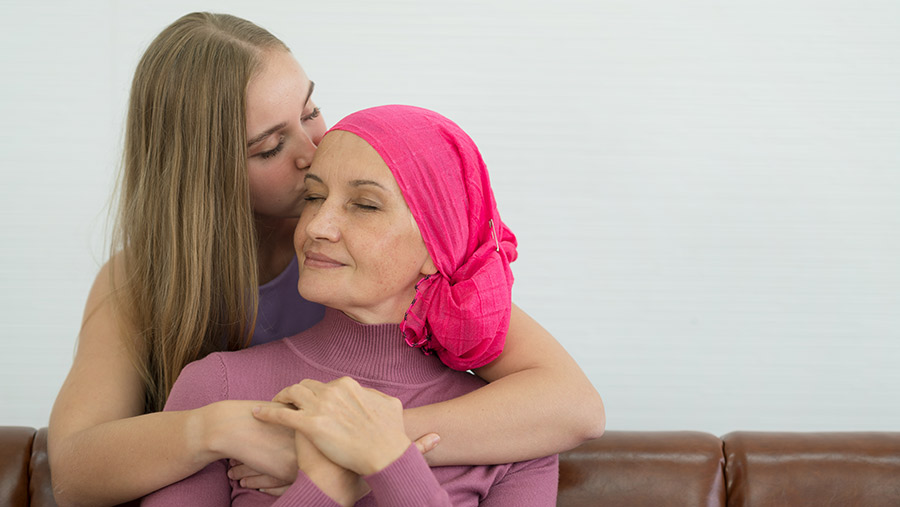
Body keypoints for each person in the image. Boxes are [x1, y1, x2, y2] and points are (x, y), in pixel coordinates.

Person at [48, 12, 604, 507]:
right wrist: (213, 428)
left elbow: (571, 404)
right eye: (269, 147)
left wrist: (362, 444)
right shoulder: (142, 285)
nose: (317, 150)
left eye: (311, 110)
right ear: (204, 177)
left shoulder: (390, 265)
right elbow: (73, 472)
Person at [141, 104, 560, 506]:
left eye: (364, 205)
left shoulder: (518, 432)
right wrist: (326, 484)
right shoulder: (215, 387)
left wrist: (391, 464)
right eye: (313, 197)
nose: (318, 227)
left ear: (439, 246)